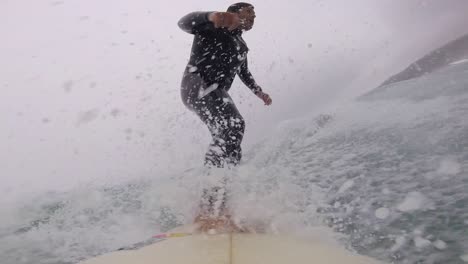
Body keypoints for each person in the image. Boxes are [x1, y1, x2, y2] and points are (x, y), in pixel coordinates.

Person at [178, 2, 272, 169]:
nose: (253, 16)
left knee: (229, 138)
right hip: (196, 84)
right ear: (233, 13)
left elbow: (244, 72)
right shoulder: (212, 27)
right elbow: (183, 23)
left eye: (254, 13)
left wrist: (259, 92)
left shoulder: (241, 45)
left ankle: (226, 181)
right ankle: (212, 181)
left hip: (216, 92)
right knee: (234, 124)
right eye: (249, 11)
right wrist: (210, 16)